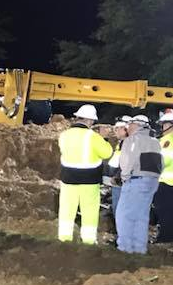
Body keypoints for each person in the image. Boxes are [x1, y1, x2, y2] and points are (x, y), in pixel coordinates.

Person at [57, 105, 114, 245]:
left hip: (68, 179)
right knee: (89, 211)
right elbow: (107, 153)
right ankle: (88, 241)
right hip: (89, 180)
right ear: (89, 120)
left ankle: (64, 240)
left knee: (66, 210)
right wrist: (104, 139)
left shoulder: (64, 135)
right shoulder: (93, 137)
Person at [117, 114, 162, 254]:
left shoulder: (133, 140)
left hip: (136, 180)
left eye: (129, 125)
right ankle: (139, 249)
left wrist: (124, 177)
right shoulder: (155, 141)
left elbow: (128, 160)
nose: (127, 128)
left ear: (136, 125)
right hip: (152, 181)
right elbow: (161, 163)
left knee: (124, 215)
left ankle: (125, 248)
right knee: (141, 216)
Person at [104, 116, 132, 224]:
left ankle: (122, 236)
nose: (115, 131)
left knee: (120, 210)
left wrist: (117, 177)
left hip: (121, 183)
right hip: (118, 182)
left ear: (125, 129)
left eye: (117, 128)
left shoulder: (128, 144)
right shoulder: (122, 143)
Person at [154, 113, 173, 243]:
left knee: (165, 213)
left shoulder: (167, 140)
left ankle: (165, 240)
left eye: (164, 124)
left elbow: (161, 161)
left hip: (166, 183)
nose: (162, 127)